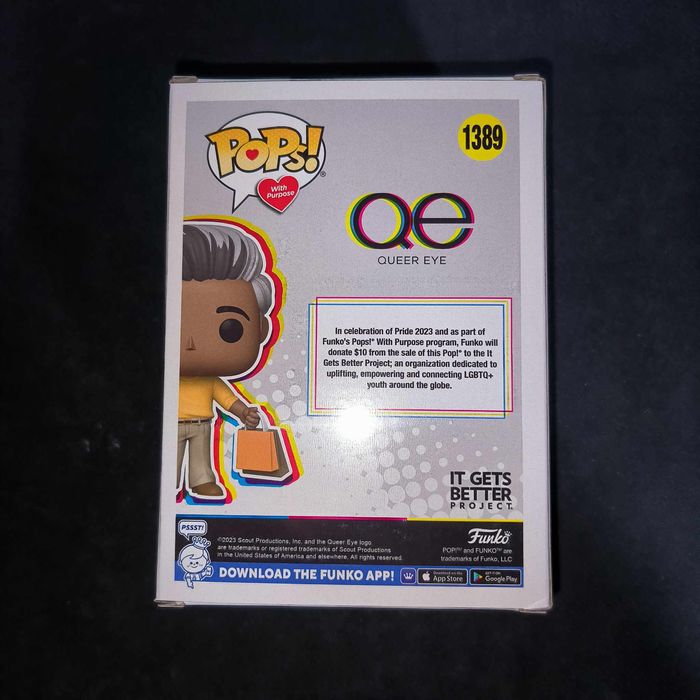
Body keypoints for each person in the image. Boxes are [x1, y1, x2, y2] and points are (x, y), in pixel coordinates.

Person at [177, 222, 274, 498]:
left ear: (260, 329)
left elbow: (227, 399)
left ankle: (201, 481)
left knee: (201, 461)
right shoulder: (165, 380)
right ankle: (167, 481)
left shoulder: (210, 380)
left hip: (202, 424)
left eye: (229, 329)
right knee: (168, 462)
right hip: (170, 425)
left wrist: (243, 413)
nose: (191, 344)